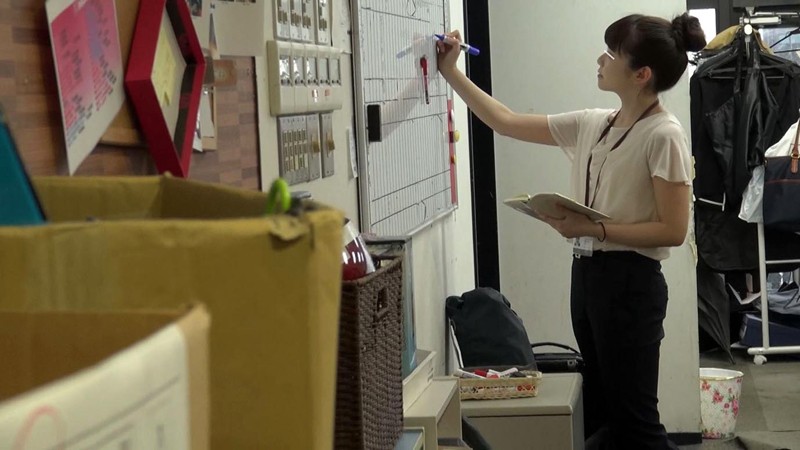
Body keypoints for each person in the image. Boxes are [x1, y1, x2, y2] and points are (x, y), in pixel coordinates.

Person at [437, 13, 706, 450]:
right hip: (588, 276)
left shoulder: (664, 134)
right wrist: (451, 72)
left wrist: (594, 227)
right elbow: (505, 121)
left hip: (631, 283)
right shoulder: (595, 123)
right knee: (602, 414)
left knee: (635, 424)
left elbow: (673, 230)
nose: (600, 59)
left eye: (612, 54)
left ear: (641, 74)